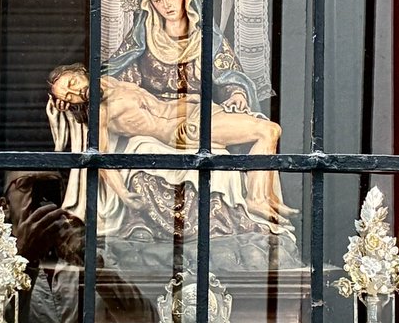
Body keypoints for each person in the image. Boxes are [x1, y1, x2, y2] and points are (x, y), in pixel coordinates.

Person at [49, 65, 295, 222]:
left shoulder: (109, 81)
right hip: (183, 131)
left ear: (80, 71)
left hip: (197, 111)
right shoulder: (100, 112)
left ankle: (264, 198)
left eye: (72, 84)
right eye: (69, 97)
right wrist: (123, 194)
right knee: (268, 130)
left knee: (268, 130)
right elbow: (101, 157)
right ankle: (257, 199)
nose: (76, 92)